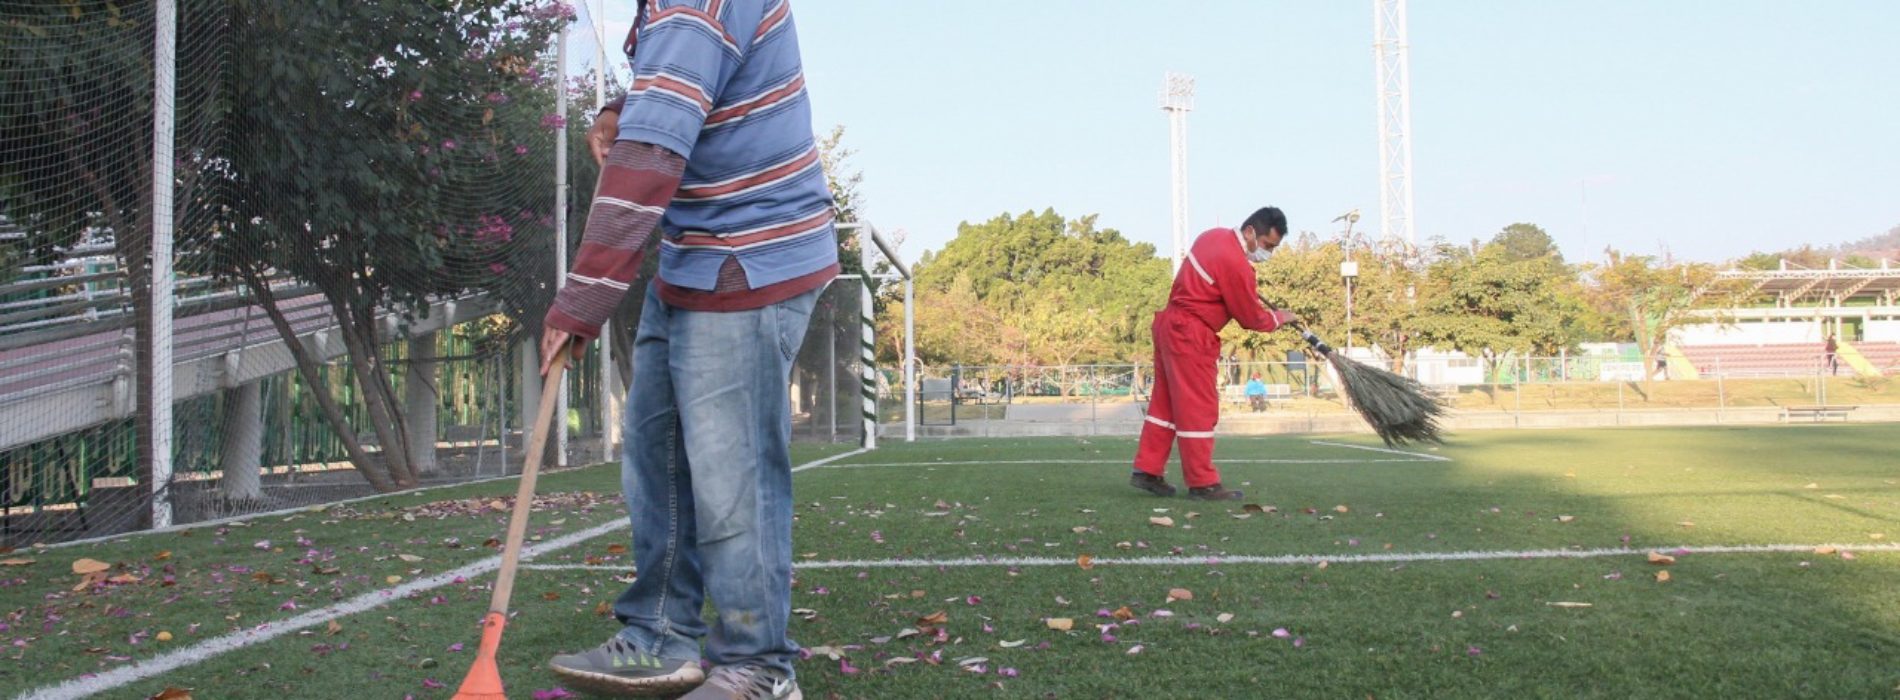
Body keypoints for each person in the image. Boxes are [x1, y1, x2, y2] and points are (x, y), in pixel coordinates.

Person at [541, 2, 835, 698]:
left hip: (749, 254)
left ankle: (760, 667)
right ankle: (660, 637)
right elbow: (684, 96)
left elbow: (653, 155)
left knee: (730, 472)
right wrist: (626, 106)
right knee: (656, 454)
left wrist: (582, 299)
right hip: (694, 257)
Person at [1130, 208, 1300, 501]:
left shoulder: (1212, 237)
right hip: (1191, 334)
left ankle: (1147, 470)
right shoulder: (1236, 264)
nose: (1268, 253)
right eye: (1267, 245)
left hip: (1170, 325)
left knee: (1166, 406)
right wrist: (1280, 318)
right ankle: (1202, 483)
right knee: (1199, 408)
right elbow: (1251, 318)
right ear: (1249, 232)